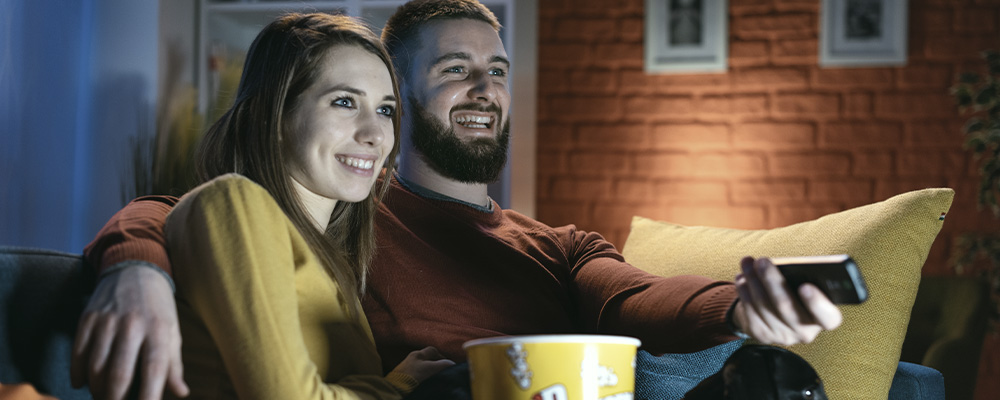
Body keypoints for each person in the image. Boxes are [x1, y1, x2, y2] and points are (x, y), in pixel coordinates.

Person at [72, 1, 843, 399]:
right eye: (453, 70)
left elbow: (633, 295)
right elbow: (196, 211)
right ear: (403, 92)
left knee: (730, 374)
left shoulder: (560, 243)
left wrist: (740, 304)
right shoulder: (345, 216)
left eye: (498, 70)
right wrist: (135, 267)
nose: (484, 88)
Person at [71, 12, 455, 400]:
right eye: (343, 102)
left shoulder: (334, 263)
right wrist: (397, 389)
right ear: (276, 117)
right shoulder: (236, 204)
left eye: (386, 110)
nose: (375, 134)